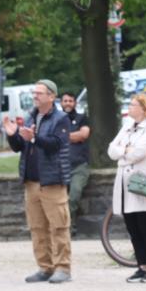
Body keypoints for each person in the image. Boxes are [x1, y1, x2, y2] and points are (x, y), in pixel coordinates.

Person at [3, 80, 72, 284]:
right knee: (37, 227)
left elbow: (56, 145)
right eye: (34, 93)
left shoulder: (61, 119)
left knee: (58, 226)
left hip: (52, 181)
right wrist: (12, 135)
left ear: (51, 96)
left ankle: (63, 268)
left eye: (39, 93)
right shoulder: (30, 116)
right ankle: (45, 267)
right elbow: (19, 147)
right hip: (31, 182)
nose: (35, 96)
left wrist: (34, 138)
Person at [107, 94, 146, 283]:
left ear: (143, 108)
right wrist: (125, 151)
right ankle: (142, 265)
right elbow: (111, 149)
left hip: (141, 181)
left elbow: (139, 152)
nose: (129, 108)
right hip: (124, 181)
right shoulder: (128, 125)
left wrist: (124, 151)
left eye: (132, 105)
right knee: (132, 226)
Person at [60, 91, 91, 230]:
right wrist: (73, 136)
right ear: (61, 103)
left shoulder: (82, 118)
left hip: (79, 166)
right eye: (65, 101)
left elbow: (83, 134)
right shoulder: (57, 119)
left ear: (75, 103)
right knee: (59, 200)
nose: (67, 103)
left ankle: (69, 227)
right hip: (60, 166)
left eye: (70, 101)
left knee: (73, 196)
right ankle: (64, 227)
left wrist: (61, 136)